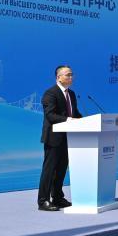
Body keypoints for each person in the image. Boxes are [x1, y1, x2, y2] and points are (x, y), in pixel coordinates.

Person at [37, 65, 81, 212]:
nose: (71, 77)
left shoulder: (71, 94)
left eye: (72, 74)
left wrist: (85, 121)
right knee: (49, 170)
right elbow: (50, 115)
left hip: (68, 137)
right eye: (68, 75)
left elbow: (74, 113)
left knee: (62, 169)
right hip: (54, 138)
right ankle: (43, 200)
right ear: (58, 77)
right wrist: (69, 120)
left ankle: (57, 197)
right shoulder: (50, 93)